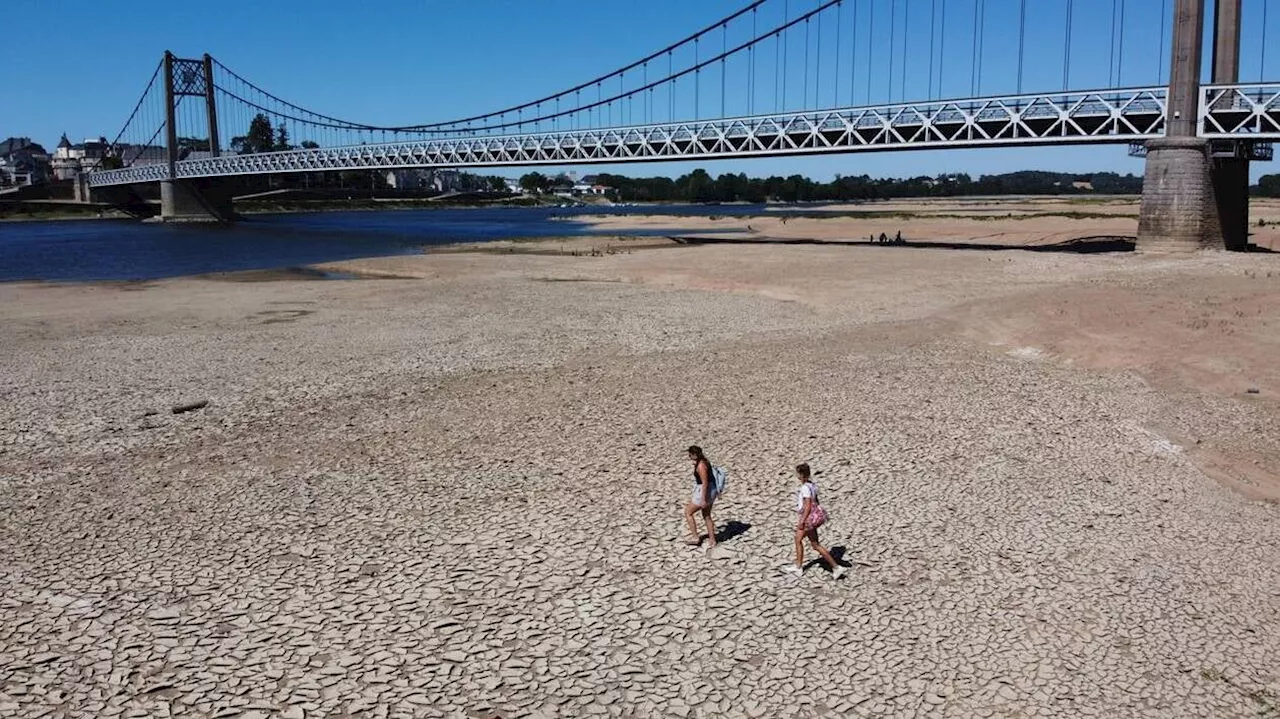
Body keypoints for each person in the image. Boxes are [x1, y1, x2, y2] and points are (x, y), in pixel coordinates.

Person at [784, 463, 846, 578]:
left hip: (807, 519)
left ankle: (798, 567)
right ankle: (836, 567)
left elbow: (807, 506)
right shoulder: (813, 485)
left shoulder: (805, 488)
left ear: (801, 475)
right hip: (812, 519)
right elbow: (816, 502)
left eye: (797, 473)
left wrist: (802, 520)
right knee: (815, 544)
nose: (796, 475)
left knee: (798, 540)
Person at [683, 445, 718, 548]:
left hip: (704, 492)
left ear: (694, 454)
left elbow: (705, 483)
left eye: (690, 454)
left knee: (688, 512)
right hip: (710, 491)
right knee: (707, 516)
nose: (689, 456)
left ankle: (695, 537)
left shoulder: (701, 466)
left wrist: (703, 499)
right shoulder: (704, 462)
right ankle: (712, 540)